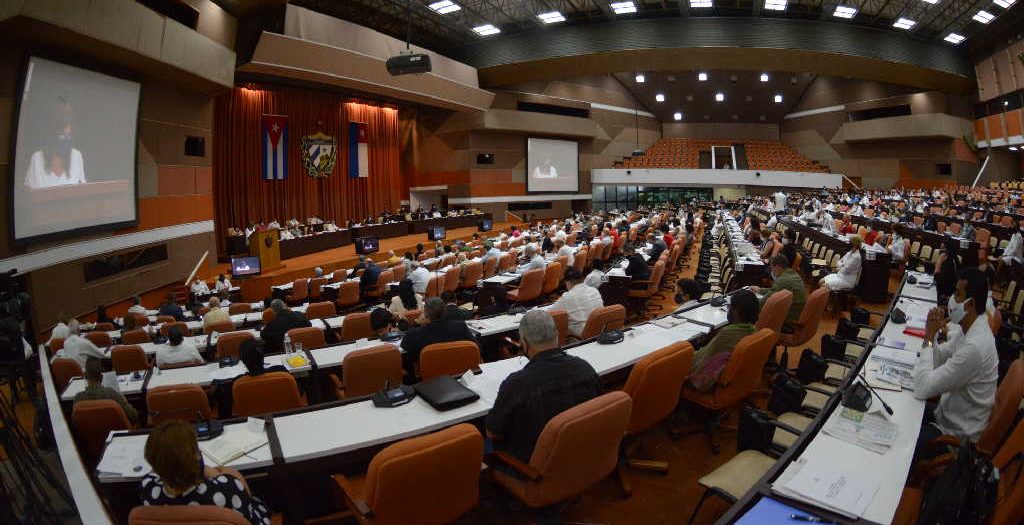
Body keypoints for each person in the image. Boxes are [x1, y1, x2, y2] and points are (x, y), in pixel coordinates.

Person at [486, 310, 601, 463]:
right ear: (557, 336)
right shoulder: (584, 368)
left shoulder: (516, 384)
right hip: (580, 451)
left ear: (524, 343)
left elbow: (493, 433)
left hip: (534, 467)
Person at [914, 268, 998, 461]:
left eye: (957, 294)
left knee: (901, 437)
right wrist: (932, 335)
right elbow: (938, 358)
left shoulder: (975, 347)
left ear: (971, 304)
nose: (952, 299)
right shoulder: (969, 328)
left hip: (953, 439)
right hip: (943, 416)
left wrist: (928, 338)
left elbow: (922, 388)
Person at [139, 420, 272, 524]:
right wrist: (216, 473)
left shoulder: (147, 487)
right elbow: (247, 502)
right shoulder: (227, 488)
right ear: (197, 456)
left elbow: (158, 470)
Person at [688, 289, 759, 390]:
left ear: (736, 311)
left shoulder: (728, 333)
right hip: (738, 379)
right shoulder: (753, 329)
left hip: (709, 382)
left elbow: (703, 359)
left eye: (730, 307)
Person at [399, 298, 477, 381]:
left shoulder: (413, 334)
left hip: (431, 382)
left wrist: (416, 323)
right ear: (445, 311)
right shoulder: (460, 326)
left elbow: (405, 347)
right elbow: (477, 347)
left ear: (425, 314)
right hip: (462, 375)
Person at [25, 98, 87, 189]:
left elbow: (83, 194)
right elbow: (28, 195)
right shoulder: (37, 159)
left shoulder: (77, 157)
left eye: (69, 136)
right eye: (62, 121)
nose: (67, 130)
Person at [75, 357, 138, 424]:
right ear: (101, 377)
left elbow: (75, 423)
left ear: (85, 376)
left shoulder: (78, 399)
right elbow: (133, 416)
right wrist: (125, 401)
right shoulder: (112, 394)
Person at [547, 271, 605, 337]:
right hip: (599, 330)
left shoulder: (568, 296)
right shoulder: (595, 290)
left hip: (582, 335)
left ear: (567, 282)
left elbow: (549, 312)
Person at [752, 254, 806, 324]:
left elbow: (764, 303)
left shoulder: (782, 280)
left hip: (787, 317)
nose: (772, 271)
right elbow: (775, 291)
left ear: (777, 267)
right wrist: (760, 290)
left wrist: (751, 299)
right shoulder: (792, 274)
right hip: (794, 311)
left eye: (772, 268)